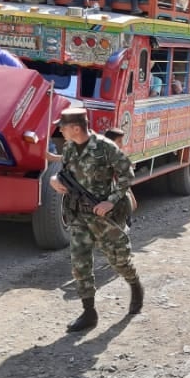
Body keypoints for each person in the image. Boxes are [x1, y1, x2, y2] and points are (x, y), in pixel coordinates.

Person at [49, 108, 144, 333]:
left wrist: (110, 201)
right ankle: (89, 313)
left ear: (75, 128)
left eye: (62, 126)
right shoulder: (70, 147)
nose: (59, 130)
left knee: (119, 260)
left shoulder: (105, 147)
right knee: (80, 262)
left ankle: (135, 286)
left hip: (104, 216)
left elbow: (127, 175)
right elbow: (64, 173)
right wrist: (54, 180)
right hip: (78, 215)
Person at [102, 128, 138, 227]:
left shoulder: (118, 157)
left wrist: (132, 199)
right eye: (119, 142)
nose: (121, 145)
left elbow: (126, 179)